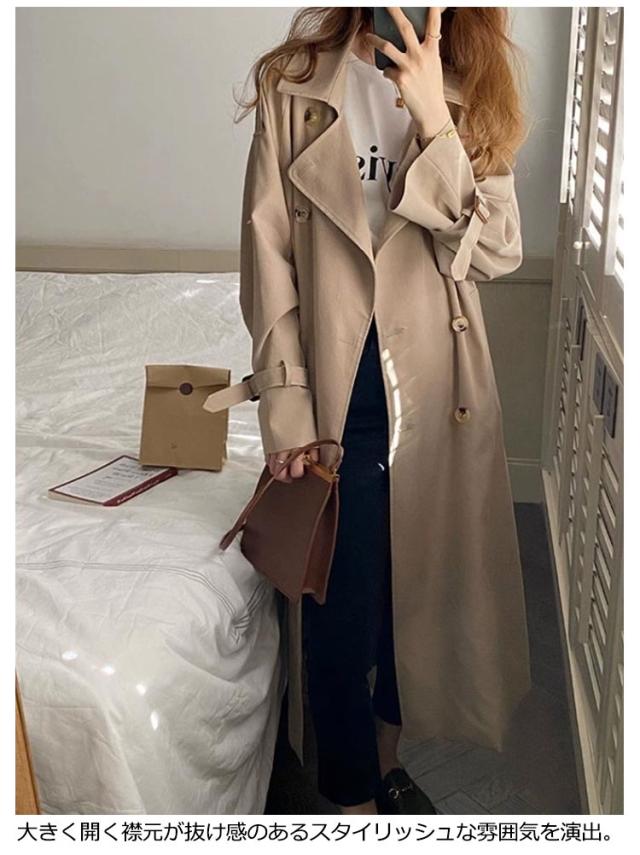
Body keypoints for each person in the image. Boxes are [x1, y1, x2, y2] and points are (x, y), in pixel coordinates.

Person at [225, 6, 532, 815]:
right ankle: (350, 797)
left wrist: (434, 118)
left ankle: (386, 762)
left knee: (414, 598)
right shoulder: (294, 83)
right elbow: (269, 256)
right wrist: (285, 404)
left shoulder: (473, 87)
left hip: (434, 379)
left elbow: (498, 249)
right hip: (336, 377)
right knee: (339, 601)